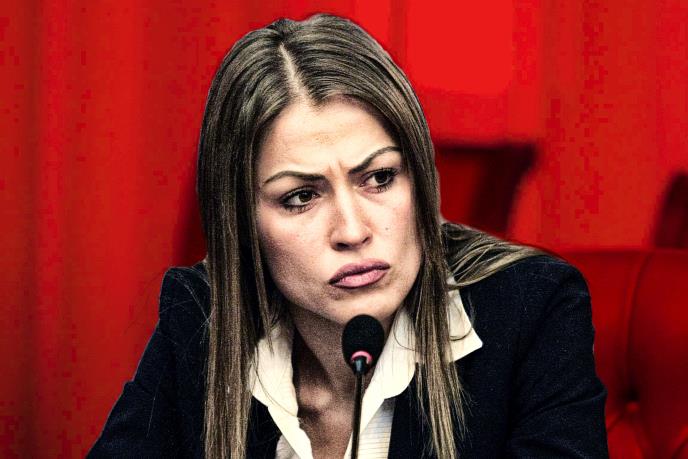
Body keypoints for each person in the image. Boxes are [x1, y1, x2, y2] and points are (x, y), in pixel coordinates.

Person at [88, 13, 609, 459]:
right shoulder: (202, 318)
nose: (354, 231)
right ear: (243, 224)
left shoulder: (530, 310)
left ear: (421, 181)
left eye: (379, 178)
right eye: (300, 196)